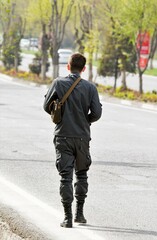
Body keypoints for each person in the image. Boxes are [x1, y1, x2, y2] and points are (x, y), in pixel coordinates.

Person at [43, 53, 102, 228]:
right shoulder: (90, 88)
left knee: (65, 177)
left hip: (63, 136)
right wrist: (85, 120)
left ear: (67, 67)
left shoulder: (58, 83)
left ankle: (67, 218)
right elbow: (97, 114)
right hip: (83, 137)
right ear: (83, 69)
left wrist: (61, 116)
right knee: (82, 174)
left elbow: (47, 106)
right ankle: (80, 214)